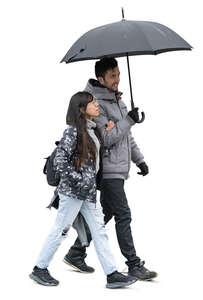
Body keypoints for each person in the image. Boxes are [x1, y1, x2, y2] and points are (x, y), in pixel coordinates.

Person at [29, 91, 137, 288]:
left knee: (100, 231)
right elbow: (60, 161)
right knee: (60, 230)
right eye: (92, 102)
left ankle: (112, 274)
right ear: (81, 109)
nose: (96, 105)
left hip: (88, 194)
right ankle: (39, 268)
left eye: (95, 101)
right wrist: (78, 180)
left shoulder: (93, 130)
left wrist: (109, 134)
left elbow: (93, 160)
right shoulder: (73, 132)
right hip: (72, 193)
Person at [64, 58, 158, 281]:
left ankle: (76, 252)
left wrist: (139, 160)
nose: (117, 79)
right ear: (101, 79)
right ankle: (133, 263)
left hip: (120, 168)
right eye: (113, 75)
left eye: (118, 74)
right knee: (123, 214)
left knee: (105, 214)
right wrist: (129, 120)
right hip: (107, 169)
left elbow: (126, 135)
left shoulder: (117, 100)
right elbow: (107, 137)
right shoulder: (95, 104)